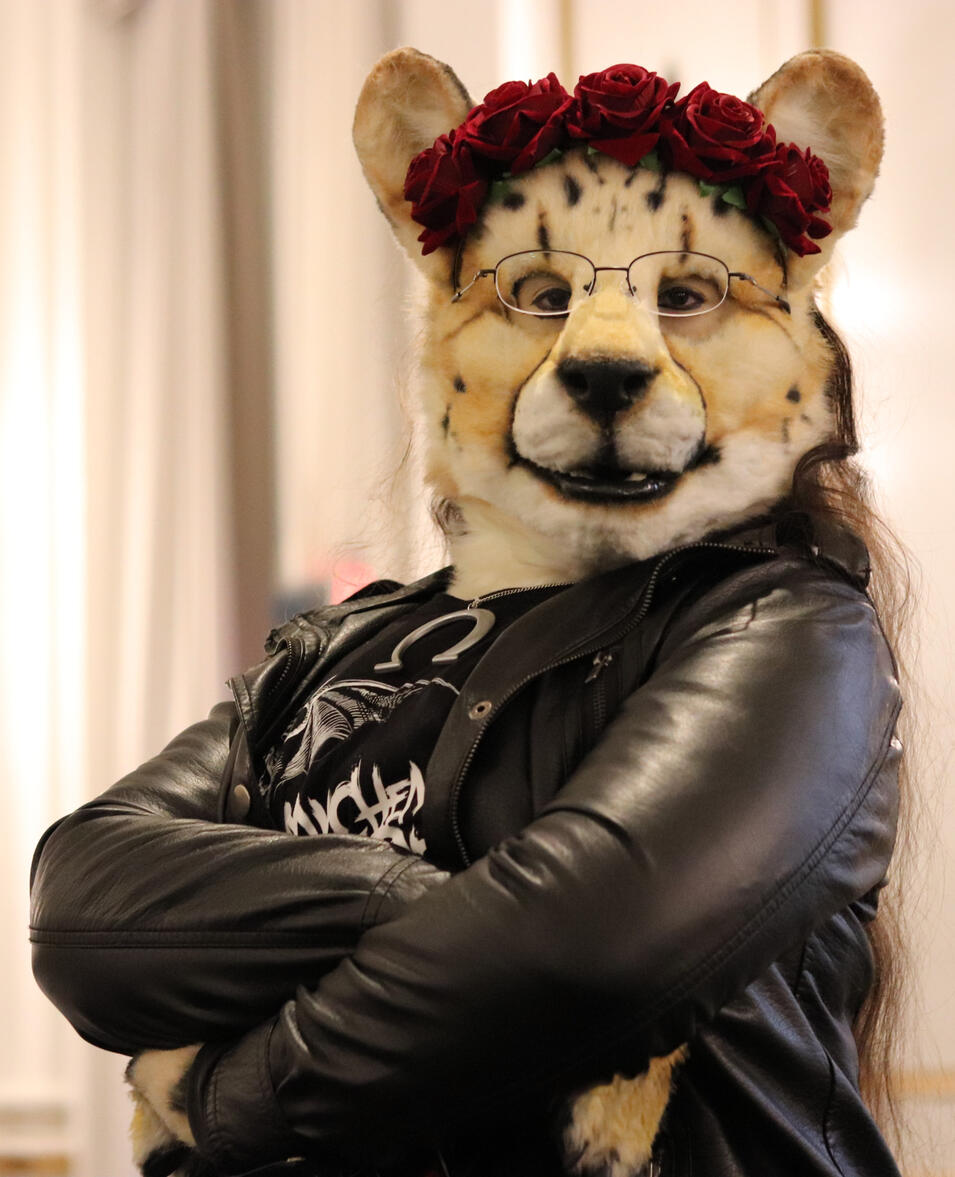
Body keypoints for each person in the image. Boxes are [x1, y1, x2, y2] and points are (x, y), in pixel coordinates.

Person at [30, 46, 906, 1177]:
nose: (600, 351)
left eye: (687, 297)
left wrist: (220, 1095)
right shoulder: (341, 642)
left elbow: (584, 952)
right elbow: (86, 906)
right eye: (536, 297)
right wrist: (434, 903)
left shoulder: (786, 633)